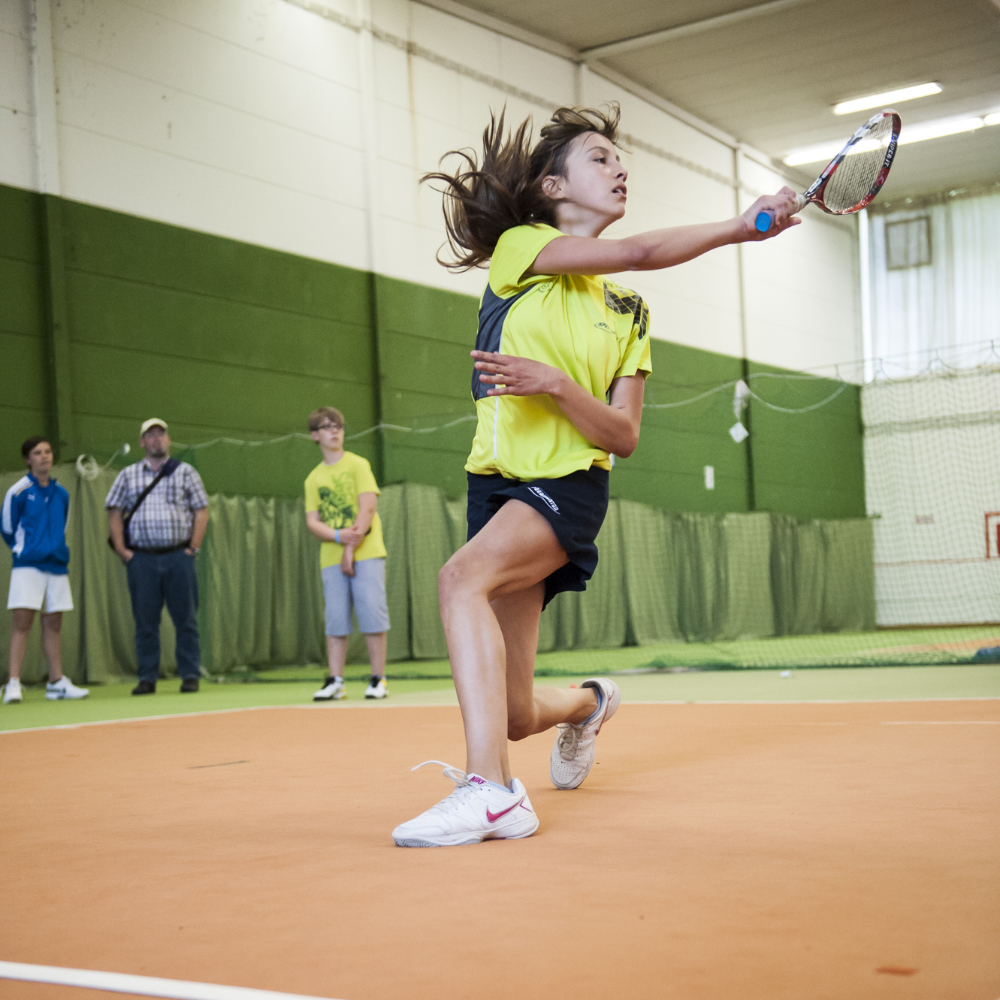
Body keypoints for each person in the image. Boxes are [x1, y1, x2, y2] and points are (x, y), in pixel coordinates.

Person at [391, 105, 799, 847]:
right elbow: (638, 248)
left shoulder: (630, 310)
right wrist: (740, 224)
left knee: (459, 580)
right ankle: (588, 704)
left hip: (568, 484)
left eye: (620, 161)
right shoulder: (524, 248)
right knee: (516, 714)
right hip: (497, 486)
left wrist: (555, 385)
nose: (619, 170)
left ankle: (493, 795)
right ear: (553, 185)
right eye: (600, 158)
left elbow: (624, 434)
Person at [106, 419, 209, 695]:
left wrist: (193, 548)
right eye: (149, 435)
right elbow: (114, 511)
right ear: (142, 442)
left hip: (179, 556)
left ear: (168, 439)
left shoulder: (186, 472)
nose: (156, 440)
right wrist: (122, 550)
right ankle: (147, 677)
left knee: (186, 620)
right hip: (142, 559)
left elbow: (202, 510)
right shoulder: (127, 475)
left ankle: (189, 674)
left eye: (160, 434)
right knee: (145, 622)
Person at [304, 407, 390, 702]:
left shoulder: (358, 465)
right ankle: (336, 681)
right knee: (336, 619)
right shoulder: (313, 479)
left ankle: (378, 679)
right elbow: (313, 521)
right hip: (331, 558)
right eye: (326, 427)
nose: (334, 430)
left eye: (338, 425)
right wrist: (339, 538)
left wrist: (350, 548)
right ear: (315, 435)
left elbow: (367, 508)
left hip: (367, 553)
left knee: (372, 614)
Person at [2, 437, 89, 704]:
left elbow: (62, 527)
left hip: (57, 566)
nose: (44, 456)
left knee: (53, 624)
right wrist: (26, 550)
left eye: (48, 452)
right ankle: (13, 683)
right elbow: (7, 528)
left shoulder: (62, 493)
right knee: (22, 624)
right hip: (28, 566)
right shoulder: (18, 491)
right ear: (28, 459)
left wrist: (53, 550)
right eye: (37, 453)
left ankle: (56, 682)